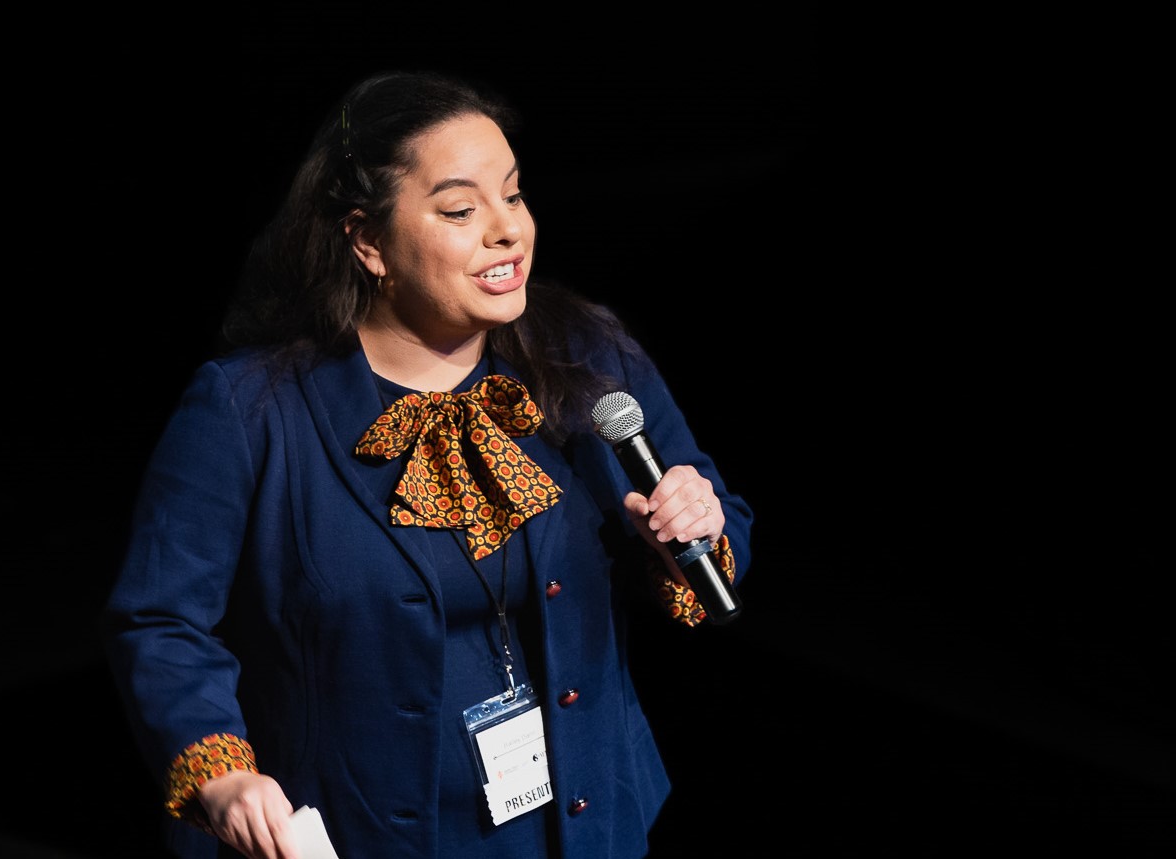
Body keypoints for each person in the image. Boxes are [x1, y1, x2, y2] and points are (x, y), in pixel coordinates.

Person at [99, 68, 751, 859]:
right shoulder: (251, 409)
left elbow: (717, 516)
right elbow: (160, 619)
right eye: (460, 210)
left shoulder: (586, 354)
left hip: (581, 825)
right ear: (367, 241)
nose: (507, 230)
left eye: (513, 195)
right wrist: (224, 774)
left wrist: (694, 527)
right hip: (359, 832)